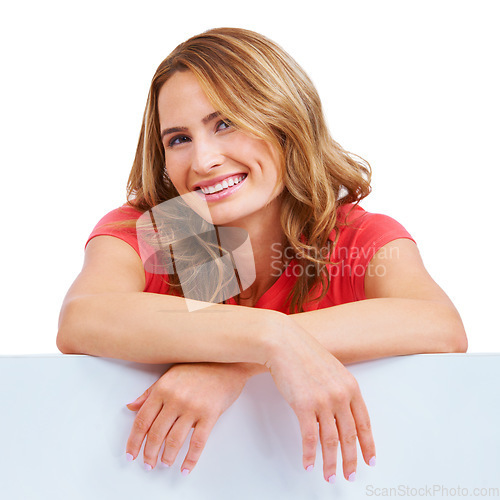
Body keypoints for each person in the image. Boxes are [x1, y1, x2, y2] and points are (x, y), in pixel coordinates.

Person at [56, 27, 467, 485]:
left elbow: (439, 325)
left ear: (283, 119)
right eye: (178, 139)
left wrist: (238, 364)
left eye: (225, 123)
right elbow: (83, 317)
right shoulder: (171, 230)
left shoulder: (351, 236)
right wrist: (270, 338)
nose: (204, 159)